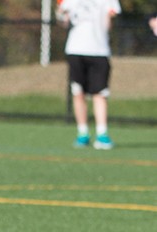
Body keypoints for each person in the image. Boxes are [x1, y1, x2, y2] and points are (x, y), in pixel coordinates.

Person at [57, 0, 121, 150]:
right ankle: (82, 133)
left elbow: (110, 22)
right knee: (78, 92)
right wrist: (60, 14)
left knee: (100, 93)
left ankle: (102, 134)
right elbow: (64, 22)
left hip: (99, 50)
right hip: (76, 50)